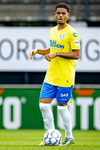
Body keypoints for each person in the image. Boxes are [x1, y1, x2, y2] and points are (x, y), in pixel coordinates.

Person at [30, 2, 80, 146]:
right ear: (55, 15)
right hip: (51, 75)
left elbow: (76, 54)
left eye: (63, 13)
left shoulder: (72, 33)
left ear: (68, 16)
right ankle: (51, 136)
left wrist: (56, 54)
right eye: (58, 13)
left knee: (61, 107)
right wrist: (38, 51)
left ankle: (69, 136)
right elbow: (52, 49)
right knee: (43, 106)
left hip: (65, 76)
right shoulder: (52, 31)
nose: (60, 15)